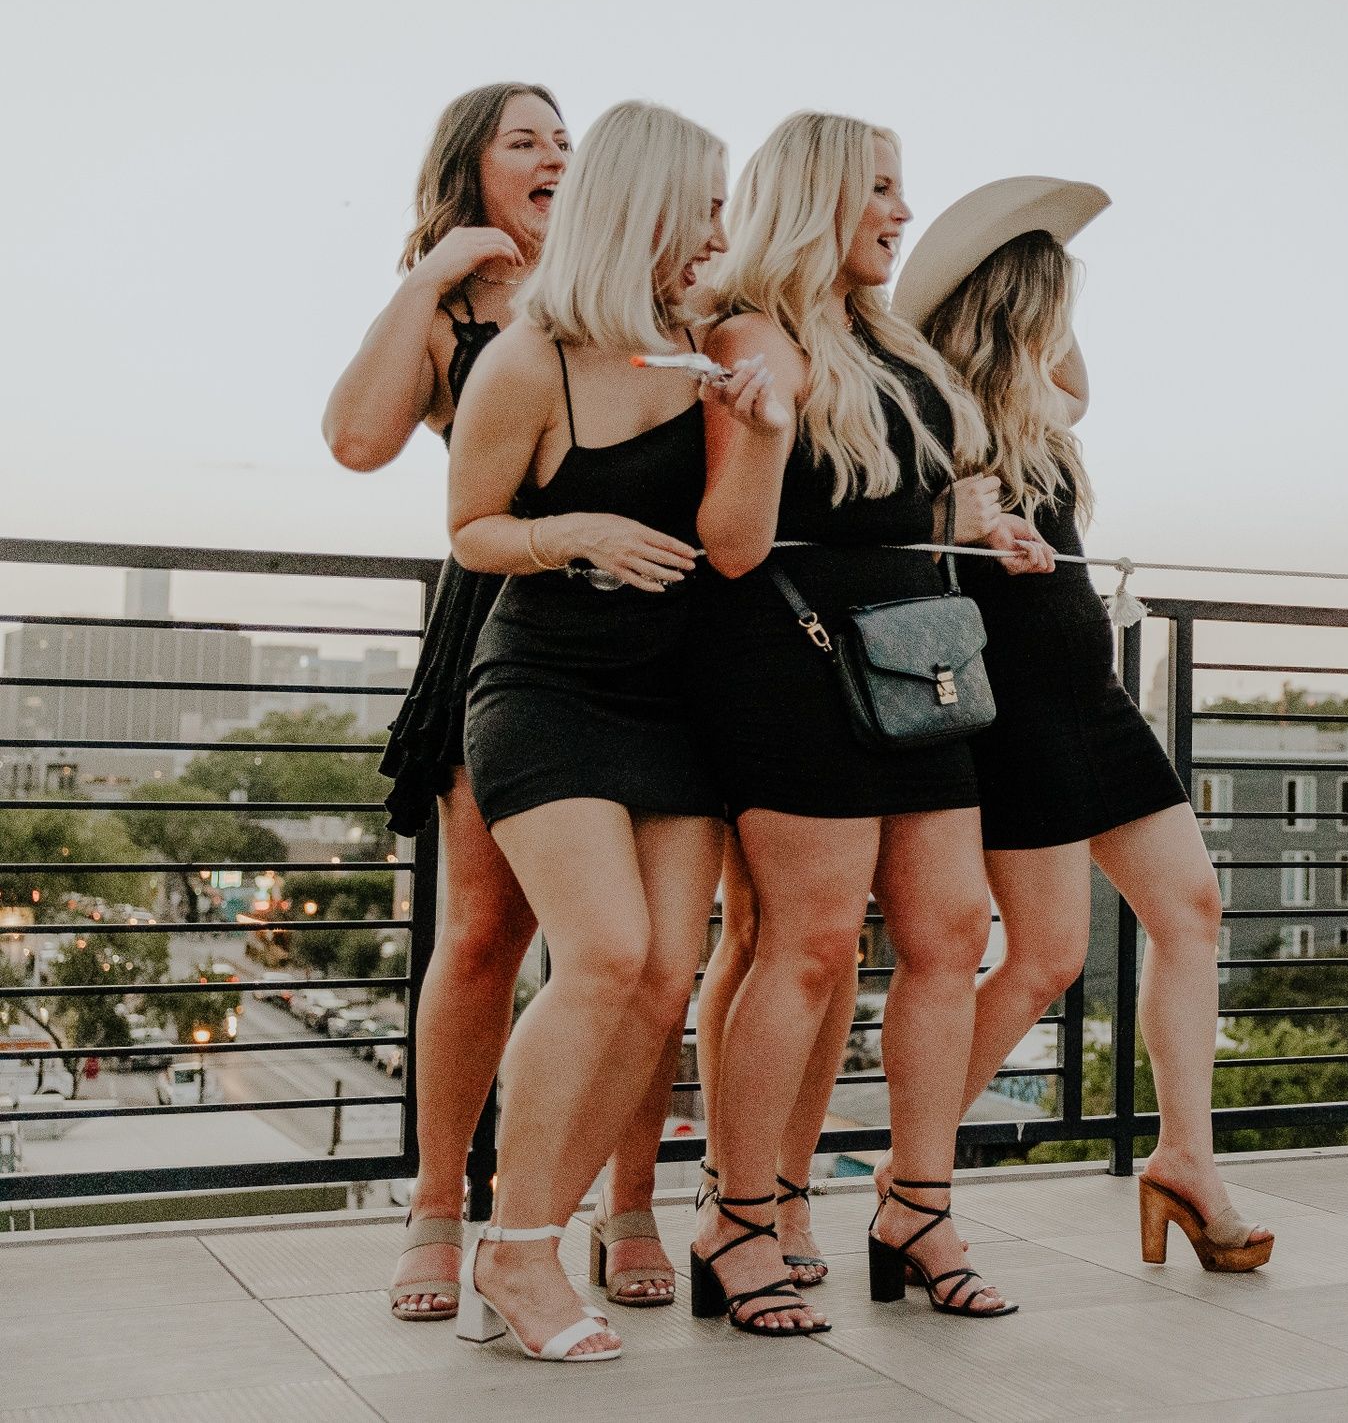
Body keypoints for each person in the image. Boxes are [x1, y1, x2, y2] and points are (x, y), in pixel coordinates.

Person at [320, 84, 681, 1320]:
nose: (553, 158)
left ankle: (623, 1205)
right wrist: (429, 281)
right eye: (523, 142)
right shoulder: (466, 311)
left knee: (638, 951)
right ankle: (436, 1210)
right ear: (469, 169)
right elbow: (360, 443)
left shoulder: (628, 291)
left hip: (654, 635)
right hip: (503, 628)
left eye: (565, 143)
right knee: (482, 938)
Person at [688, 112, 1043, 1329]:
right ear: (815, 199)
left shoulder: (893, 344)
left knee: (951, 931)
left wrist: (986, 523)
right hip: (793, 668)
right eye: (880, 189)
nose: (901, 212)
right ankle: (736, 1221)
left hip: (920, 664)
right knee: (811, 943)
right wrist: (768, 418)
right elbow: (731, 545)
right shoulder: (749, 336)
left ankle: (917, 1206)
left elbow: (928, 491)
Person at [902, 178, 1273, 1272]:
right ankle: (908, 1172)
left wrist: (1040, 249)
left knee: (1189, 907)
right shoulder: (935, 416)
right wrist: (959, 529)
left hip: (1092, 698)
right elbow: (884, 545)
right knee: (1045, 961)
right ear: (1022, 306)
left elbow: (1074, 380)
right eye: (1056, 300)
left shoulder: (1038, 408)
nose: (1071, 329)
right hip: (1010, 709)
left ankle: (1185, 1161)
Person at [444, 99, 750, 1361]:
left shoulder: (713, 350)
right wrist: (577, 532)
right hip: (548, 691)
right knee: (609, 954)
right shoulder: (533, 358)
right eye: (709, 206)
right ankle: (515, 1250)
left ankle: (535, 1238)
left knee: (664, 980)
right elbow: (471, 530)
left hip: (677, 707)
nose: (722, 231)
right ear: (653, 206)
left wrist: (769, 411)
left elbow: (742, 527)